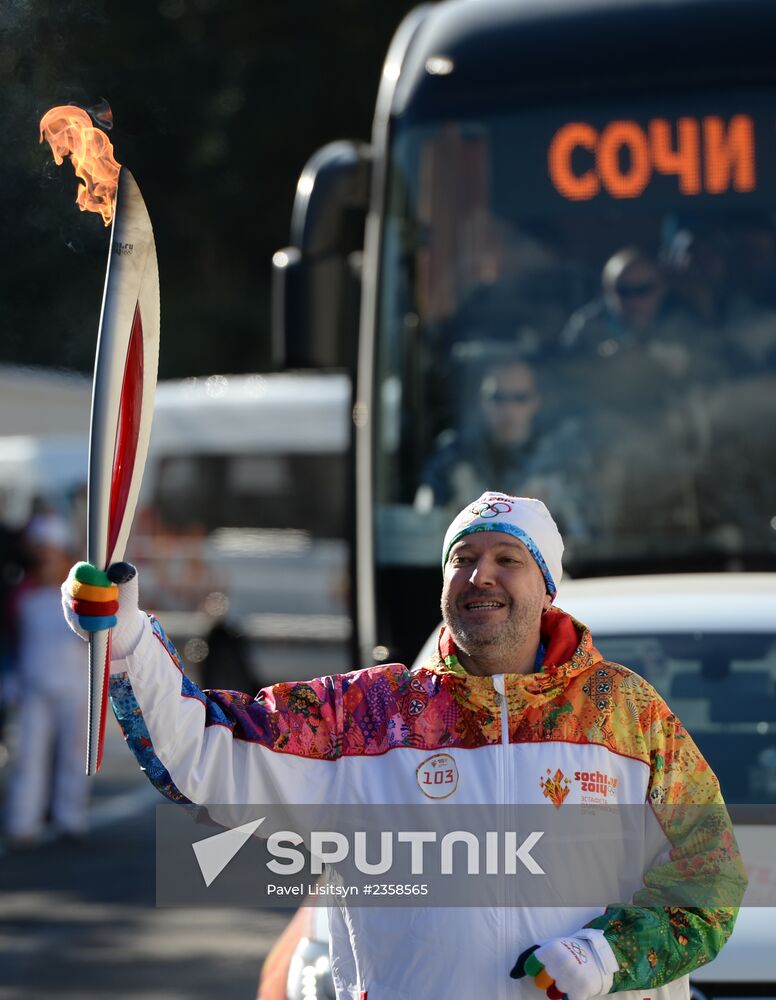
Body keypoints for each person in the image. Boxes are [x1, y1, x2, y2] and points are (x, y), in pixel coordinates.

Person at [62, 492, 745, 999]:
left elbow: (710, 874)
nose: (482, 576)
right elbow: (205, 753)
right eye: (464, 560)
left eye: (508, 559)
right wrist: (126, 639)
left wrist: (610, 955)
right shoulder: (371, 717)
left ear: (547, 587)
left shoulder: (625, 715)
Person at [416, 359, 593, 540]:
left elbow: (581, 537)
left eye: (520, 398)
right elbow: (423, 526)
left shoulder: (561, 461)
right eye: (497, 398)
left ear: (535, 402)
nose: (508, 409)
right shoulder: (452, 458)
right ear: (482, 401)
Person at [5, 514, 90, 846]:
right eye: (40, 551)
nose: (45, 557)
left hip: (75, 685)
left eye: (51, 550)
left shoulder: (80, 593)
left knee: (73, 756)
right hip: (32, 686)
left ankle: (71, 819)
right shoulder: (21, 594)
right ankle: (22, 823)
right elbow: (12, 637)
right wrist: (11, 677)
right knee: (27, 756)